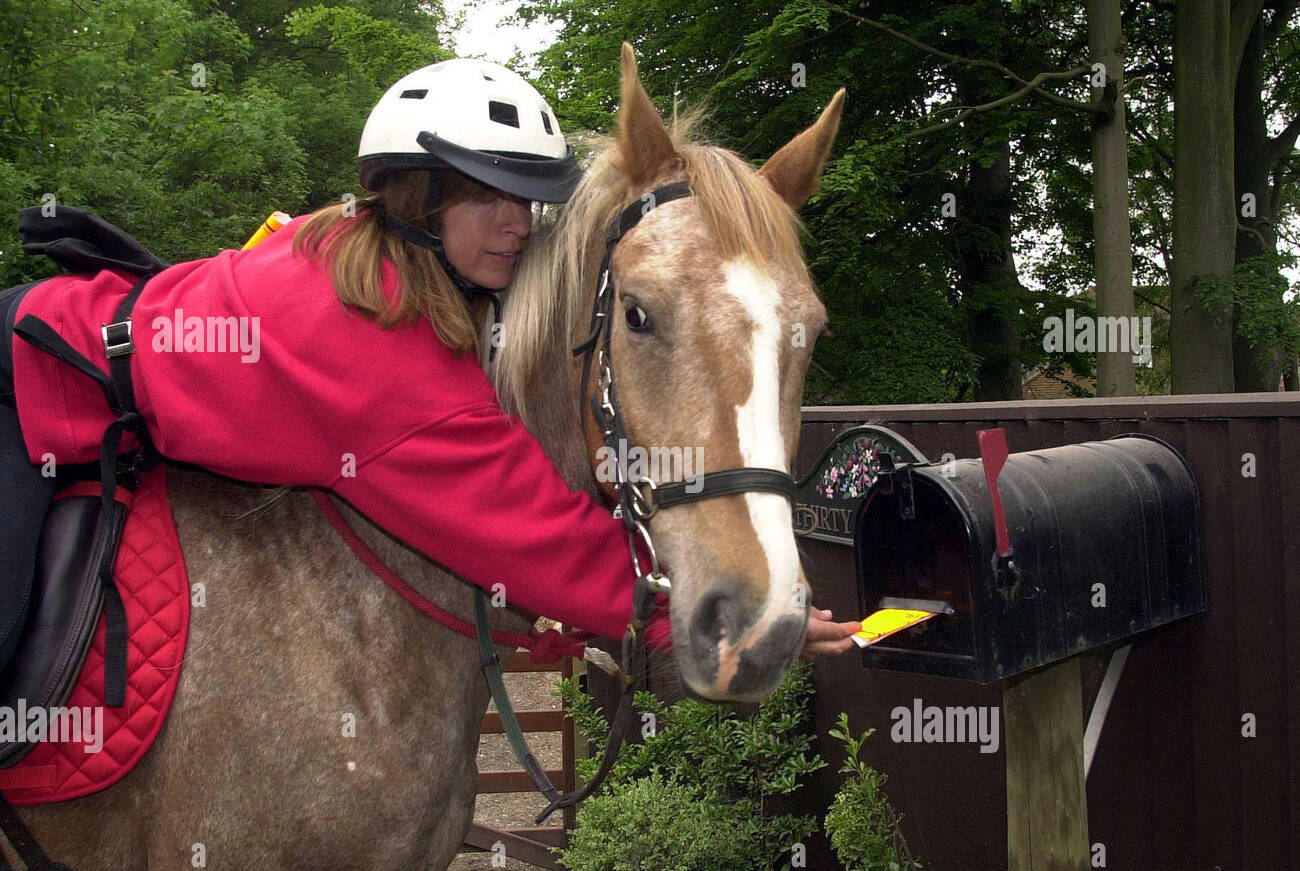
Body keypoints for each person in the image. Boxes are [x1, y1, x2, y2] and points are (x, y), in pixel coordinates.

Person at [0, 58, 858, 677]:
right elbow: (507, 516)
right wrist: (680, 623)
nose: (517, 224)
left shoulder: (377, 266)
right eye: (485, 194)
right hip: (26, 389)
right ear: (418, 198)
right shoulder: (360, 331)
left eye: (525, 197)